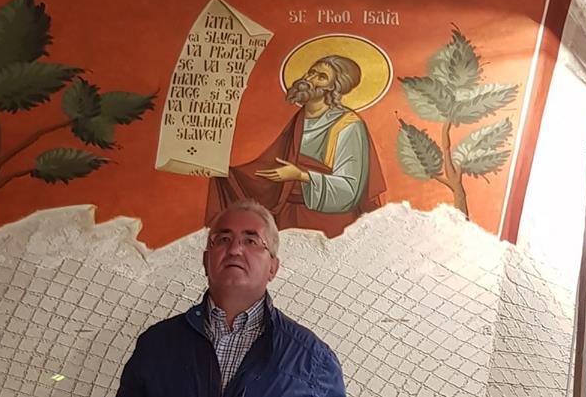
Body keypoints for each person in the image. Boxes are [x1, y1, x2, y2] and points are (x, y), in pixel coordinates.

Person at [115, 199, 347, 396]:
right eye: (223, 239)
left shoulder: (313, 361)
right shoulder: (156, 344)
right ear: (206, 261)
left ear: (273, 267)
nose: (235, 250)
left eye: (251, 241)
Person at [207, 56, 385, 234]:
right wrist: (227, 175)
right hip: (288, 217)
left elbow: (349, 190)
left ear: (333, 87)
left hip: (327, 224)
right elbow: (269, 165)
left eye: (321, 77)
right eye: (311, 72)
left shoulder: (348, 125)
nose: (310, 79)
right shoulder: (297, 119)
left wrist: (300, 175)